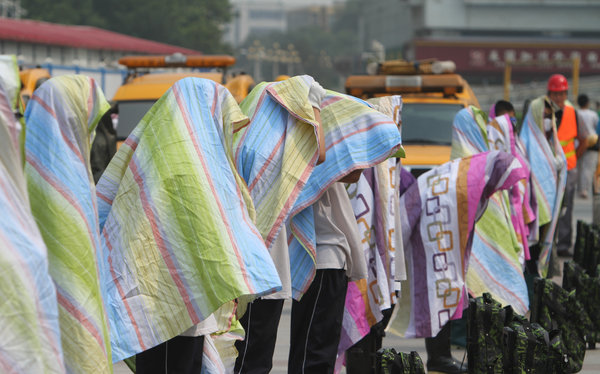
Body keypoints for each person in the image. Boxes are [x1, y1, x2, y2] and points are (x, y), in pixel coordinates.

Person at [546, 74, 597, 257]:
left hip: (568, 169)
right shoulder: (542, 111)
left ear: (566, 93)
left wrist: (575, 156)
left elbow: (584, 138)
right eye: (555, 94)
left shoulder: (572, 112)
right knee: (547, 207)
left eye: (562, 94)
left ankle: (564, 245)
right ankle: (547, 244)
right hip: (547, 169)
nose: (559, 98)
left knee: (566, 208)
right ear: (549, 93)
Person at [576, 94, 599, 199]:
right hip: (591, 141)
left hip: (578, 142)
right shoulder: (593, 114)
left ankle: (578, 188)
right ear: (588, 103)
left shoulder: (576, 113)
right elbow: (595, 127)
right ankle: (584, 190)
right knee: (588, 168)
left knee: (579, 166)